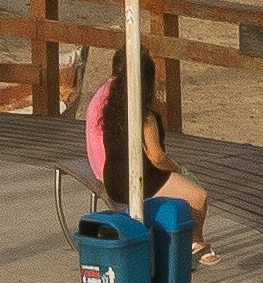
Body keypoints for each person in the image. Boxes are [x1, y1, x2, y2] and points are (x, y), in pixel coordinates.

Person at [80, 56, 214, 257]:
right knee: (198, 196)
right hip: (138, 179)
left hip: (112, 180)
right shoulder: (145, 117)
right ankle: (196, 243)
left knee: (175, 192)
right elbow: (157, 157)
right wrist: (177, 169)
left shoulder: (111, 111)